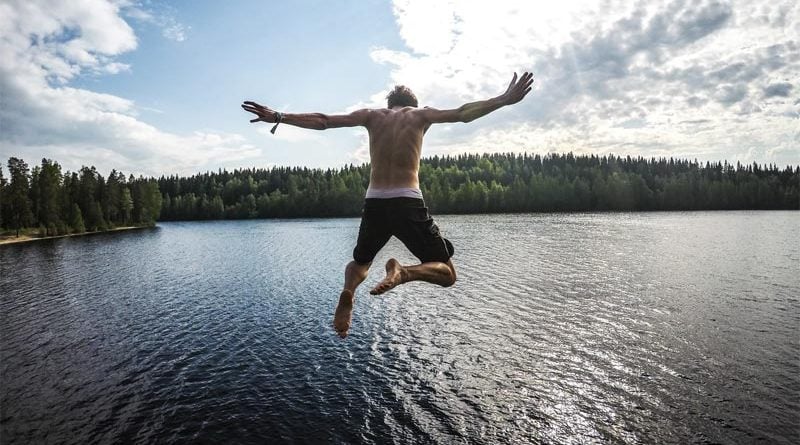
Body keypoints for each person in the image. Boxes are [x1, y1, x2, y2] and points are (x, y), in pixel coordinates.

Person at [242, 71, 534, 338]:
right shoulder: (421, 115)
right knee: (447, 273)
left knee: (360, 262)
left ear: (390, 103)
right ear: (412, 104)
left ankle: (348, 291)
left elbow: (324, 121)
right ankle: (405, 272)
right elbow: (462, 114)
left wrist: (279, 116)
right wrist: (504, 99)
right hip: (408, 201)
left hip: (375, 202)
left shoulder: (371, 115)